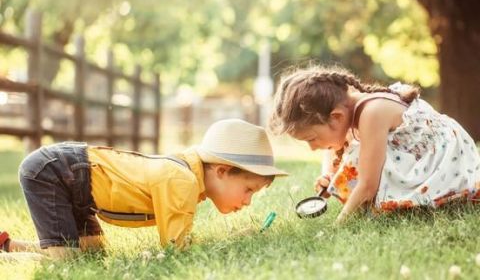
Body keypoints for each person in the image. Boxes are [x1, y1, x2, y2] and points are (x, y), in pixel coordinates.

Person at [0, 119, 287, 259]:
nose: (248, 201)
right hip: (57, 171)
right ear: (222, 171)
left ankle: (8, 247)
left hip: (77, 178)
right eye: (248, 189)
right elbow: (176, 250)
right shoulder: (182, 180)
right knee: (66, 264)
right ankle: (7, 259)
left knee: (92, 253)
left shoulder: (190, 177)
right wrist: (233, 241)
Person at [269, 64, 480, 223]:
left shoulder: (372, 113)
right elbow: (334, 149)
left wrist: (338, 225)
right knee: (352, 156)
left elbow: (368, 185)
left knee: (356, 162)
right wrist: (328, 175)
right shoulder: (354, 108)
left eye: (311, 139)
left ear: (336, 116)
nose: (312, 148)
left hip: (448, 162)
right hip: (434, 153)